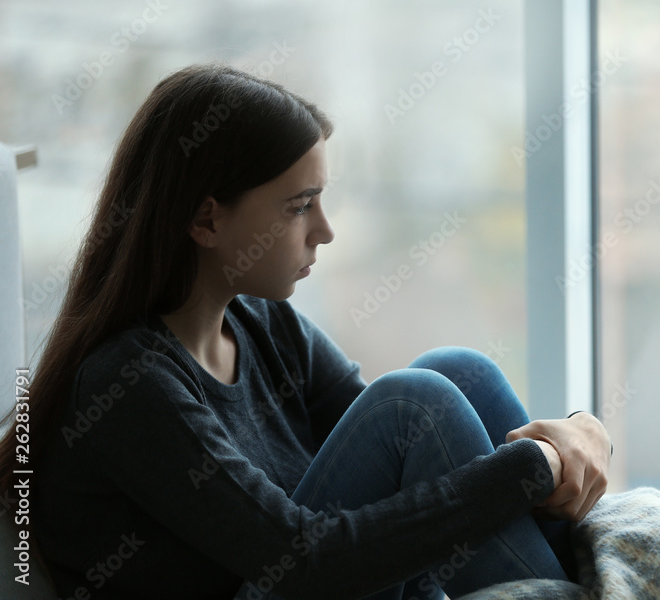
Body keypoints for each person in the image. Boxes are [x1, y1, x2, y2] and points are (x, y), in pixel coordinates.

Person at [0, 64, 612, 600]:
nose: (325, 230)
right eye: (300, 206)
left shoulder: (264, 325)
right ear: (207, 219)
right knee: (414, 403)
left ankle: (599, 583)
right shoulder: (127, 386)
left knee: (456, 373)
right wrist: (537, 460)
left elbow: (403, 458)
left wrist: (572, 438)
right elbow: (304, 562)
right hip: (302, 576)